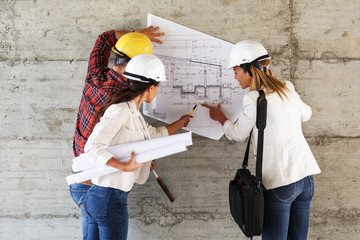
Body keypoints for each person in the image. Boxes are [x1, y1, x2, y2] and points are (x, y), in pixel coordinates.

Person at [202, 40, 321, 240]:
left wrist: (221, 118)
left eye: (237, 71)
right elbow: (306, 114)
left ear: (250, 70)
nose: (235, 76)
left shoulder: (253, 98)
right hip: (306, 178)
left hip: (281, 182)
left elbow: (239, 134)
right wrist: (282, 88)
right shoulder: (286, 87)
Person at [81, 54, 193, 239]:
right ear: (151, 88)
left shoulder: (133, 114)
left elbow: (153, 135)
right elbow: (92, 147)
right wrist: (125, 166)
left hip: (103, 198)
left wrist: (179, 123)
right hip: (109, 197)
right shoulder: (120, 111)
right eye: (158, 86)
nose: (157, 91)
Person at [69, 26, 164, 239]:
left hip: (78, 182)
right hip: (98, 185)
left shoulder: (95, 75)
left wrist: (137, 36)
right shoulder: (123, 98)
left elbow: (103, 39)